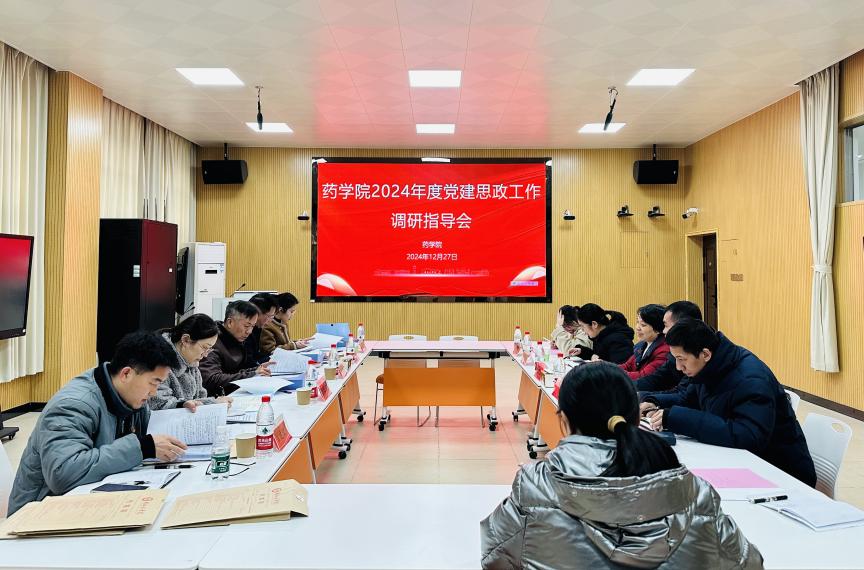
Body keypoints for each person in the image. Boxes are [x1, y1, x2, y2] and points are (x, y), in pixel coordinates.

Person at [481, 362, 762, 569]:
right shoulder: (693, 491)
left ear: (563, 421)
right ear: (635, 418)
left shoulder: (534, 486)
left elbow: (494, 557)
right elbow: (747, 563)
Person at [7, 332, 189, 516]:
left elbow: (151, 431)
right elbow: (63, 474)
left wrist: (180, 410)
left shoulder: (129, 395)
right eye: (153, 383)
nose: (154, 393)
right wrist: (142, 448)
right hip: (40, 513)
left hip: (90, 501)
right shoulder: (74, 404)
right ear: (126, 373)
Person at [644, 319, 816, 487]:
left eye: (681, 359)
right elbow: (687, 399)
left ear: (705, 354)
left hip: (780, 474)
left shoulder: (750, 379)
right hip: (740, 462)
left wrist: (676, 418)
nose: (678, 367)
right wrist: (653, 402)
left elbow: (748, 436)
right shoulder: (710, 367)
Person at [149, 313, 233, 411]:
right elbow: (158, 404)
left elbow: (198, 398)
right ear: (185, 340)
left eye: (209, 349)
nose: (205, 355)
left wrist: (214, 403)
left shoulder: (191, 362)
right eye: (205, 347)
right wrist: (182, 405)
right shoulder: (158, 359)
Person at [200, 300, 273, 396]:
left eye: (252, 326)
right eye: (246, 326)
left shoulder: (235, 338)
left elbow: (235, 371)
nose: (249, 331)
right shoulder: (212, 341)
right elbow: (211, 379)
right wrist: (252, 374)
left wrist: (257, 370)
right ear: (230, 322)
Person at [635, 300, 702, 393]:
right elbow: (657, 378)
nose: (663, 331)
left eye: (666, 325)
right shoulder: (674, 350)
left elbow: (683, 395)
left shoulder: (697, 351)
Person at [619, 303, 669, 380]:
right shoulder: (642, 344)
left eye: (643, 325)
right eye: (637, 322)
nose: (637, 328)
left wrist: (613, 373)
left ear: (658, 329)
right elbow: (627, 366)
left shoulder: (664, 350)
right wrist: (605, 367)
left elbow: (643, 376)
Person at [244, 293, 278, 365]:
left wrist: (273, 357)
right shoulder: (244, 331)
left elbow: (255, 354)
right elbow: (247, 362)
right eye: (270, 316)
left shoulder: (257, 328)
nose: (271, 320)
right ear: (257, 312)